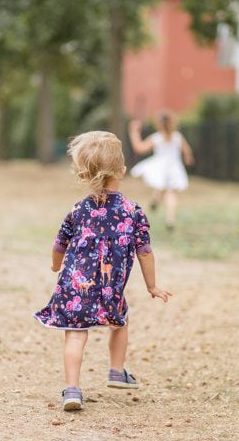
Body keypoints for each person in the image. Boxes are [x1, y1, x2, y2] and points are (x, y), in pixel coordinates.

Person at [34, 131, 172, 411]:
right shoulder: (132, 211)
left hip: (75, 288)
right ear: (121, 171)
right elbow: (144, 252)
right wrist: (152, 286)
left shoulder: (78, 210)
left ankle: (72, 390)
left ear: (84, 173)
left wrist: (55, 266)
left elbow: (59, 244)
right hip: (109, 289)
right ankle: (116, 370)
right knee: (120, 321)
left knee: (75, 334)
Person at [127, 112, 195, 230]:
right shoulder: (177, 136)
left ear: (159, 124)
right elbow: (186, 149)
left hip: (160, 166)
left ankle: (155, 200)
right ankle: (170, 219)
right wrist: (188, 157)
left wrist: (133, 131)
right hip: (174, 167)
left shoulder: (156, 138)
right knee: (171, 192)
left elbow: (139, 148)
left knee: (161, 185)